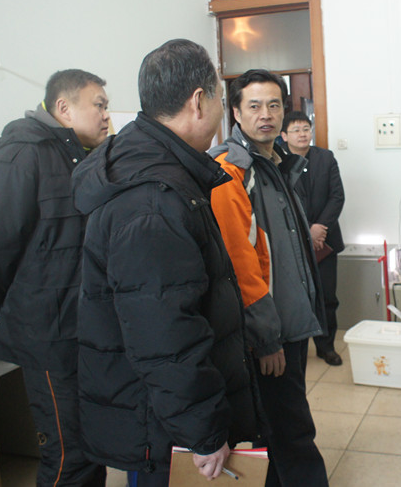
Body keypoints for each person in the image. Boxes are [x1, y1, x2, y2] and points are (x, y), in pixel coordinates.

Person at [71, 39, 260, 486]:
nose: (219, 110)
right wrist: (204, 430)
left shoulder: (155, 168)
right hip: (161, 424)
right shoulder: (152, 201)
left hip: (161, 412)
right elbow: (164, 334)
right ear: (198, 101)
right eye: (219, 98)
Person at [0, 69, 111, 486]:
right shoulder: (22, 154)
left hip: (84, 332)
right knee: (68, 458)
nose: (106, 115)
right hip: (49, 335)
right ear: (64, 108)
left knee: (93, 447)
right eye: (99, 104)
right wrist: (13, 304)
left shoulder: (79, 157)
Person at [208, 69, 328, 486]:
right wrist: (266, 337)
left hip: (290, 323)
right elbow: (239, 263)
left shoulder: (276, 162)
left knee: (281, 429)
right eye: (255, 105)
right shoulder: (231, 170)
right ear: (236, 112)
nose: (266, 115)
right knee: (291, 432)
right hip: (268, 331)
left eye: (274, 105)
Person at [280, 111, 345, 366]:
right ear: (284, 136)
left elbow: (337, 196)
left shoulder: (325, 158)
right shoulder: (278, 161)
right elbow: (281, 202)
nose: (302, 134)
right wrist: (308, 230)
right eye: (296, 130)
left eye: (306, 128)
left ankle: (326, 347)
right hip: (293, 243)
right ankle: (295, 347)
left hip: (325, 242)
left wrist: (320, 228)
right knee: (296, 298)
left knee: (327, 297)